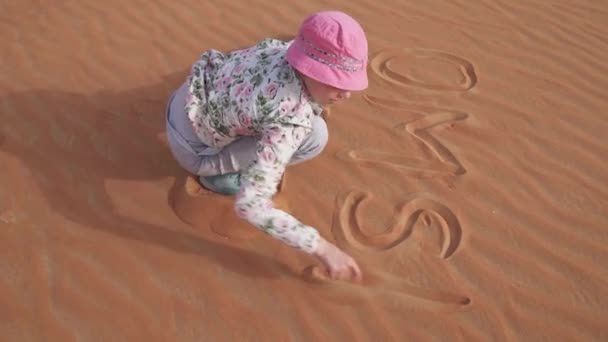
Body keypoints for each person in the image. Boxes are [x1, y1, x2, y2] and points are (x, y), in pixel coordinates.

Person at [165, 11, 368, 282]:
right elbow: (251, 205)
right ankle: (219, 179)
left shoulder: (280, 49)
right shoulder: (290, 118)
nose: (346, 94)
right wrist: (324, 249)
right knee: (314, 137)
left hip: (188, 97)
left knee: (311, 124)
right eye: (335, 82)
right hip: (194, 149)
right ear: (308, 68)